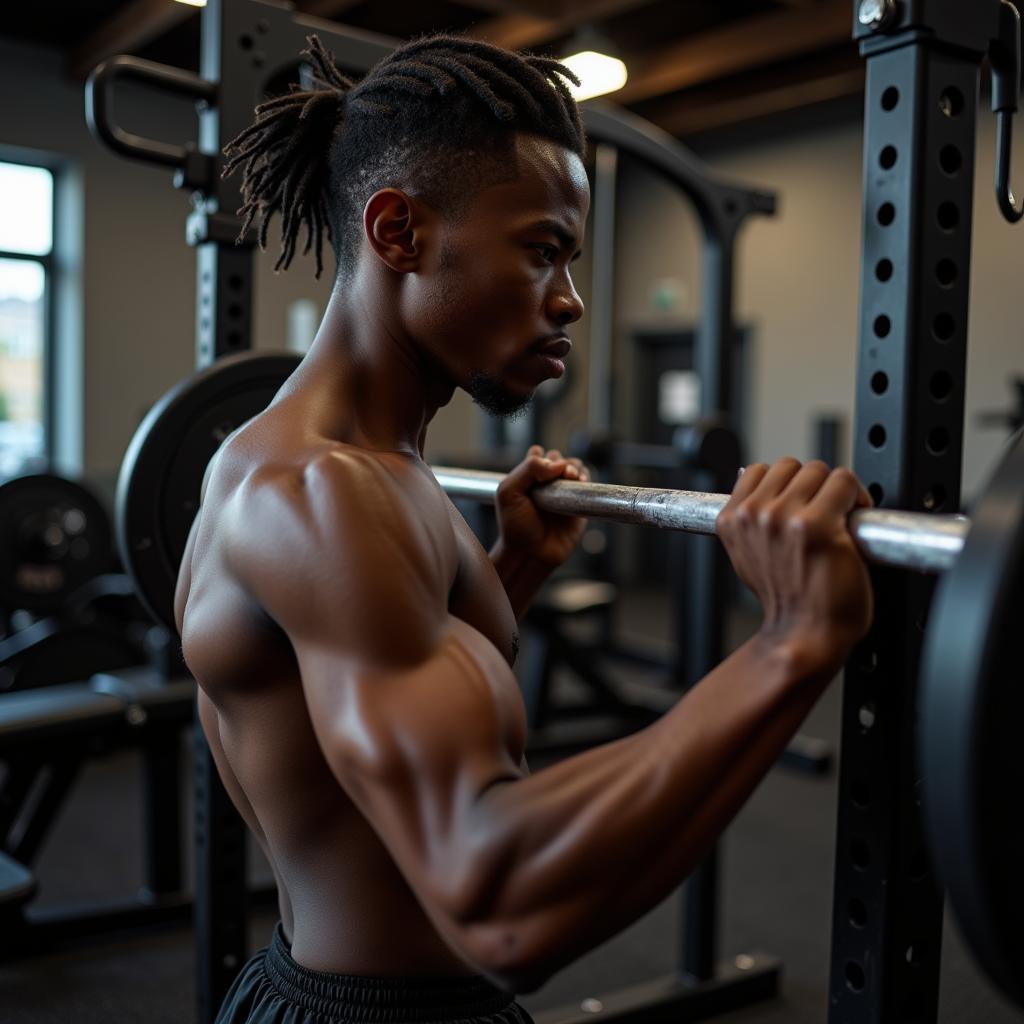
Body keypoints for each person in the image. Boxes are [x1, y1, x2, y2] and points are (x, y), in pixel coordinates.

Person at [175, 32, 874, 1024]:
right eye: (542, 250)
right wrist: (787, 646)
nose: (571, 300)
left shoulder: (348, 464)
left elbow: (339, 697)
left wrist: (507, 576)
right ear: (398, 233)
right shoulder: (320, 492)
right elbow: (495, 903)